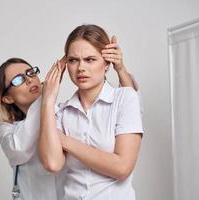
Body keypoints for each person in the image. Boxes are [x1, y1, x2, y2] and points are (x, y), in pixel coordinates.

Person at [0, 34, 137, 199]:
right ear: (7, 98)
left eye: (30, 72)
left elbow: (129, 109)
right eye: (18, 80)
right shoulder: (6, 130)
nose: (29, 80)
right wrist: (46, 98)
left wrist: (120, 70)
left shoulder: (61, 112)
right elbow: (20, 147)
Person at [39, 24, 143, 200]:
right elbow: (52, 163)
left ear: (107, 63)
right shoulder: (61, 112)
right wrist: (48, 101)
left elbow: (122, 168)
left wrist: (64, 141)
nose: (80, 68)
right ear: (65, 65)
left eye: (90, 59)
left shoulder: (125, 99)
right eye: (73, 60)